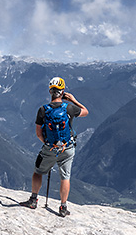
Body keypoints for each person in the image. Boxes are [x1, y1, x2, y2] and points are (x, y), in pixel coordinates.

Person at [20, 76, 88, 216]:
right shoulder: (69, 108)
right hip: (67, 148)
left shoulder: (43, 110)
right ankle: (63, 207)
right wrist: (73, 100)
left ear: (50, 91)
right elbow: (85, 111)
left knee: (38, 172)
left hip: (50, 148)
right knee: (65, 177)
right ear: (62, 92)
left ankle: (33, 200)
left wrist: (48, 145)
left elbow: (39, 133)